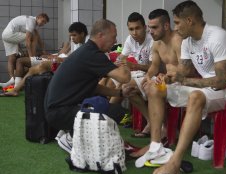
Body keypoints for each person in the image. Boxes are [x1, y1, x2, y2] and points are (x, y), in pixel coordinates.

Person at [141, 1, 226, 174]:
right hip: (203, 87)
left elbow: (221, 81)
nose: (175, 27)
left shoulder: (217, 37)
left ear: (189, 21)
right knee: (155, 88)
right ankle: (156, 146)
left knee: (196, 96)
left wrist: (184, 80)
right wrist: (168, 77)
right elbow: (185, 71)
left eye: (178, 23)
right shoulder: (187, 41)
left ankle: (174, 163)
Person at [44, 19, 136, 153]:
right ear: (100, 35)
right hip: (60, 112)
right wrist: (125, 61)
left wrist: (119, 93)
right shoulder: (93, 54)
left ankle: (70, 130)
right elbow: (125, 77)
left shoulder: (87, 51)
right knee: (115, 113)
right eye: (114, 36)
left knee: (111, 108)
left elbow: (92, 87)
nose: (115, 41)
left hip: (57, 109)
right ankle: (71, 138)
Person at [126, 9, 185, 141]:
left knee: (152, 88)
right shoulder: (157, 42)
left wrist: (166, 77)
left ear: (166, 26)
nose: (150, 31)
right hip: (166, 79)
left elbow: (185, 69)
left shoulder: (178, 41)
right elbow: (154, 66)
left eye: (154, 27)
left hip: (180, 81)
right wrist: (148, 76)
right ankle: (155, 124)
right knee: (129, 89)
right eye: (150, 27)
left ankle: (163, 130)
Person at [0, 22, 88, 97]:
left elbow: (72, 59)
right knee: (32, 68)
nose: (72, 38)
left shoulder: (87, 44)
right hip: (66, 64)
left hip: (72, 68)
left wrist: (57, 58)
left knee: (35, 65)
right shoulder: (77, 43)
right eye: (71, 36)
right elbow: (69, 57)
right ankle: (16, 87)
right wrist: (54, 56)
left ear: (82, 34)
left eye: (74, 35)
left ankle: (16, 87)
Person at [111, 12, 153, 137]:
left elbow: (153, 68)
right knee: (109, 81)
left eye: (137, 28)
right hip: (138, 73)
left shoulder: (152, 40)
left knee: (125, 86)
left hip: (153, 74)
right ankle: (110, 115)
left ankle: (107, 115)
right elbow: (121, 57)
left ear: (145, 27)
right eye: (131, 29)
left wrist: (133, 65)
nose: (134, 32)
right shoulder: (130, 39)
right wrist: (115, 65)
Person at [1, 13, 49, 88]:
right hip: (11, 34)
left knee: (12, 57)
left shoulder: (35, 23)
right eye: (42, 21)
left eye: (45, 23)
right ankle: (32, 59)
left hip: (5, 35)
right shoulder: (31, 21)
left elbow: (38, 38)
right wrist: (31, 57)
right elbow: (27, 40)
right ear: (38, 17)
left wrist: (43, 50)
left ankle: (12, 79)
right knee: (32, 37)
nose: (43, 24)